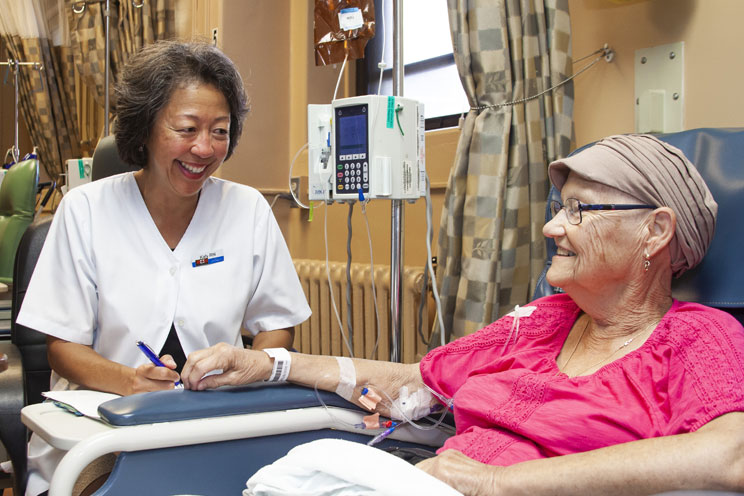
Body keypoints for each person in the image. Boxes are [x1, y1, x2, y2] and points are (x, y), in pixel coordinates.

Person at [180, 134, 744, 495]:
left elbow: (730, 453)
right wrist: (270, 364)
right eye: (557, 209)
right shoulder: (543, 320)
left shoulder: (698, 336)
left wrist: (497, 481)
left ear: (657, 231)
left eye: (579, 210)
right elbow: (416, 385)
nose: (551, 228)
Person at [17, 41, 310, 496]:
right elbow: (61, 348)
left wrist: (249, 365)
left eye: (220, 131)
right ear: (145, 128)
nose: (203, 148)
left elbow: (279, 324)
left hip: (216, 421)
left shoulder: (248, 209)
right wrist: (128, 381)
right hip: (103, 425)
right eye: (187, 128)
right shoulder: (85, 211)